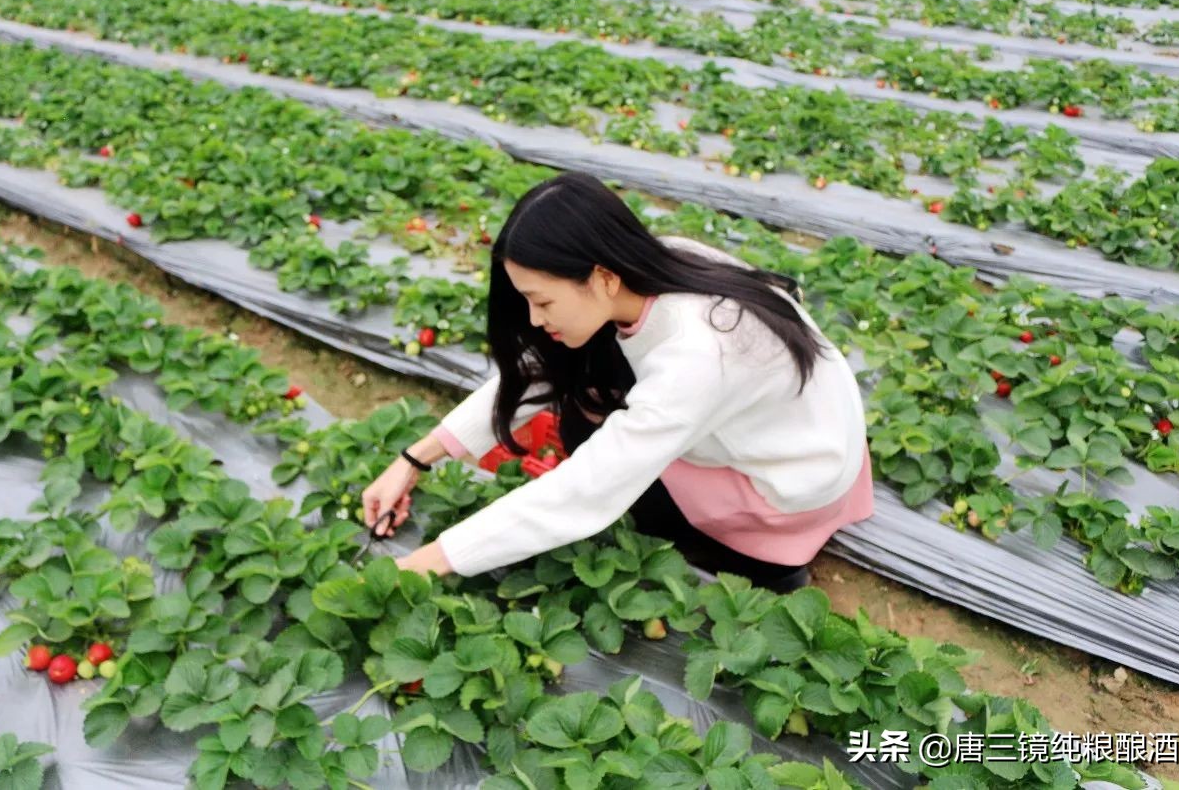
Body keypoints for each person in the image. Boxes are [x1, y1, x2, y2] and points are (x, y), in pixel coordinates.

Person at [362, 171, 875, 593]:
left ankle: (765, 563)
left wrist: (429, 561)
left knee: (586, 435)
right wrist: (414, 459)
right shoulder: (658, 264)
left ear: (602, 277)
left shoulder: (699, 353)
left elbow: (585, 490)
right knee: (580, 388)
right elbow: (539, 373)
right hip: (810, 438)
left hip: (788, 487)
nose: (535, 320)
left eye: (542, 301)